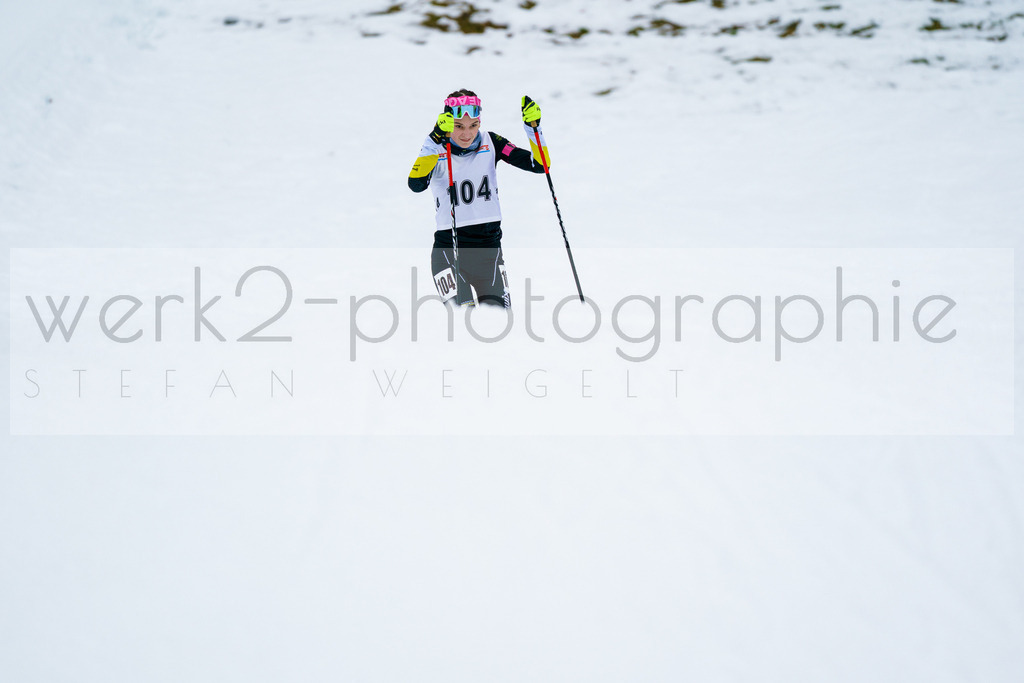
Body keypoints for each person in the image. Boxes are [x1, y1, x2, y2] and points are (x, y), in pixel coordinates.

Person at [408, 89, 549, 307]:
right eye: (459, 126)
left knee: (499, 323)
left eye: (473, 125)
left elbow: (539, 165)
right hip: (450, 251)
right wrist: (434, 138)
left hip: (489, 252)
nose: (467, 134)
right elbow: (416, 184)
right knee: (464, 321)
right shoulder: (436, 147)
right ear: (447, 123)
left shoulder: (492, 142)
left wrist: (534, 129)